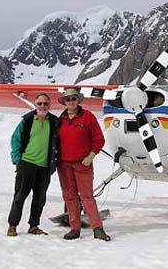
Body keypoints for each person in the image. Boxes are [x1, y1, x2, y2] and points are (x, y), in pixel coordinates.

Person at [57, 88, 111, 241]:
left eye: (73, 99)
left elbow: (99, 139)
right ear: (64, 103)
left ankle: (97, 228)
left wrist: (91, 155)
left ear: (78, 100)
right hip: (64, 165)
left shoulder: (88, 117)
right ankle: (75, 228)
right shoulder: (60, 120)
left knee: (87, 196)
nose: (71, 102)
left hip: (83, 164)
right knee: (69, 196)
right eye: (68, 100)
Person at [6, 93, 59, 237]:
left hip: (44, 167)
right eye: (40, 103)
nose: (43, 106)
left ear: (49, 105)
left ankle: (34, 226)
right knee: (20, 196)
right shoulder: (27, 120)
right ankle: (13, 225)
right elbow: (15, 139)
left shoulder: (54, 122)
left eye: (45, 104)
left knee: (40, 198)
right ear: (35, 105)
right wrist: (17, 159)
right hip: (26, 164)